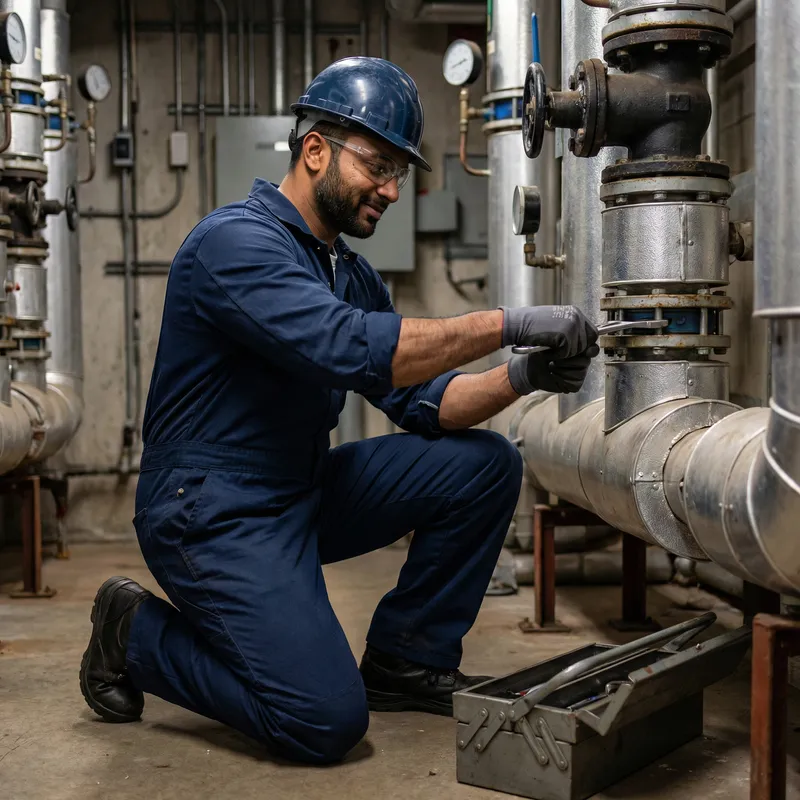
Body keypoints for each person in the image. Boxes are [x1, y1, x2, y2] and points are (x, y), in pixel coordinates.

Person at [79, 56, 599, 765]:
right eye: (377, 166)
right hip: (210, 509)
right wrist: (508, 323)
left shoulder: (346, 272)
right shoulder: (235, 244)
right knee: (320, 720)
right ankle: (133, 632)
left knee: (484, 465)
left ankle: (406, 660)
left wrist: (523, 374)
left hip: (299, 488)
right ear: (316, 150)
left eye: (399, 172)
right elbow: (348, 345)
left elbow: (427, 403)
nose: (391, 190)